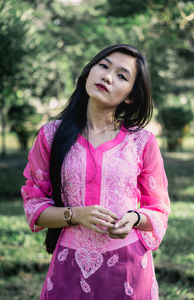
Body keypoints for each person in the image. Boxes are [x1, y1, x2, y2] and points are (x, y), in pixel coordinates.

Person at [21, 44, 170, 300]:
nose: (108, 77)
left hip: (128, 269)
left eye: (122, 75)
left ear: (130, 96)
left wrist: (133, 218)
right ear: (89, 72)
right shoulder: (51, 135)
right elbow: (34, 206)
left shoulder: (142, 142)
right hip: (69, 267)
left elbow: (158, 210)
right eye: (103, 66)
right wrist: (75, 214)